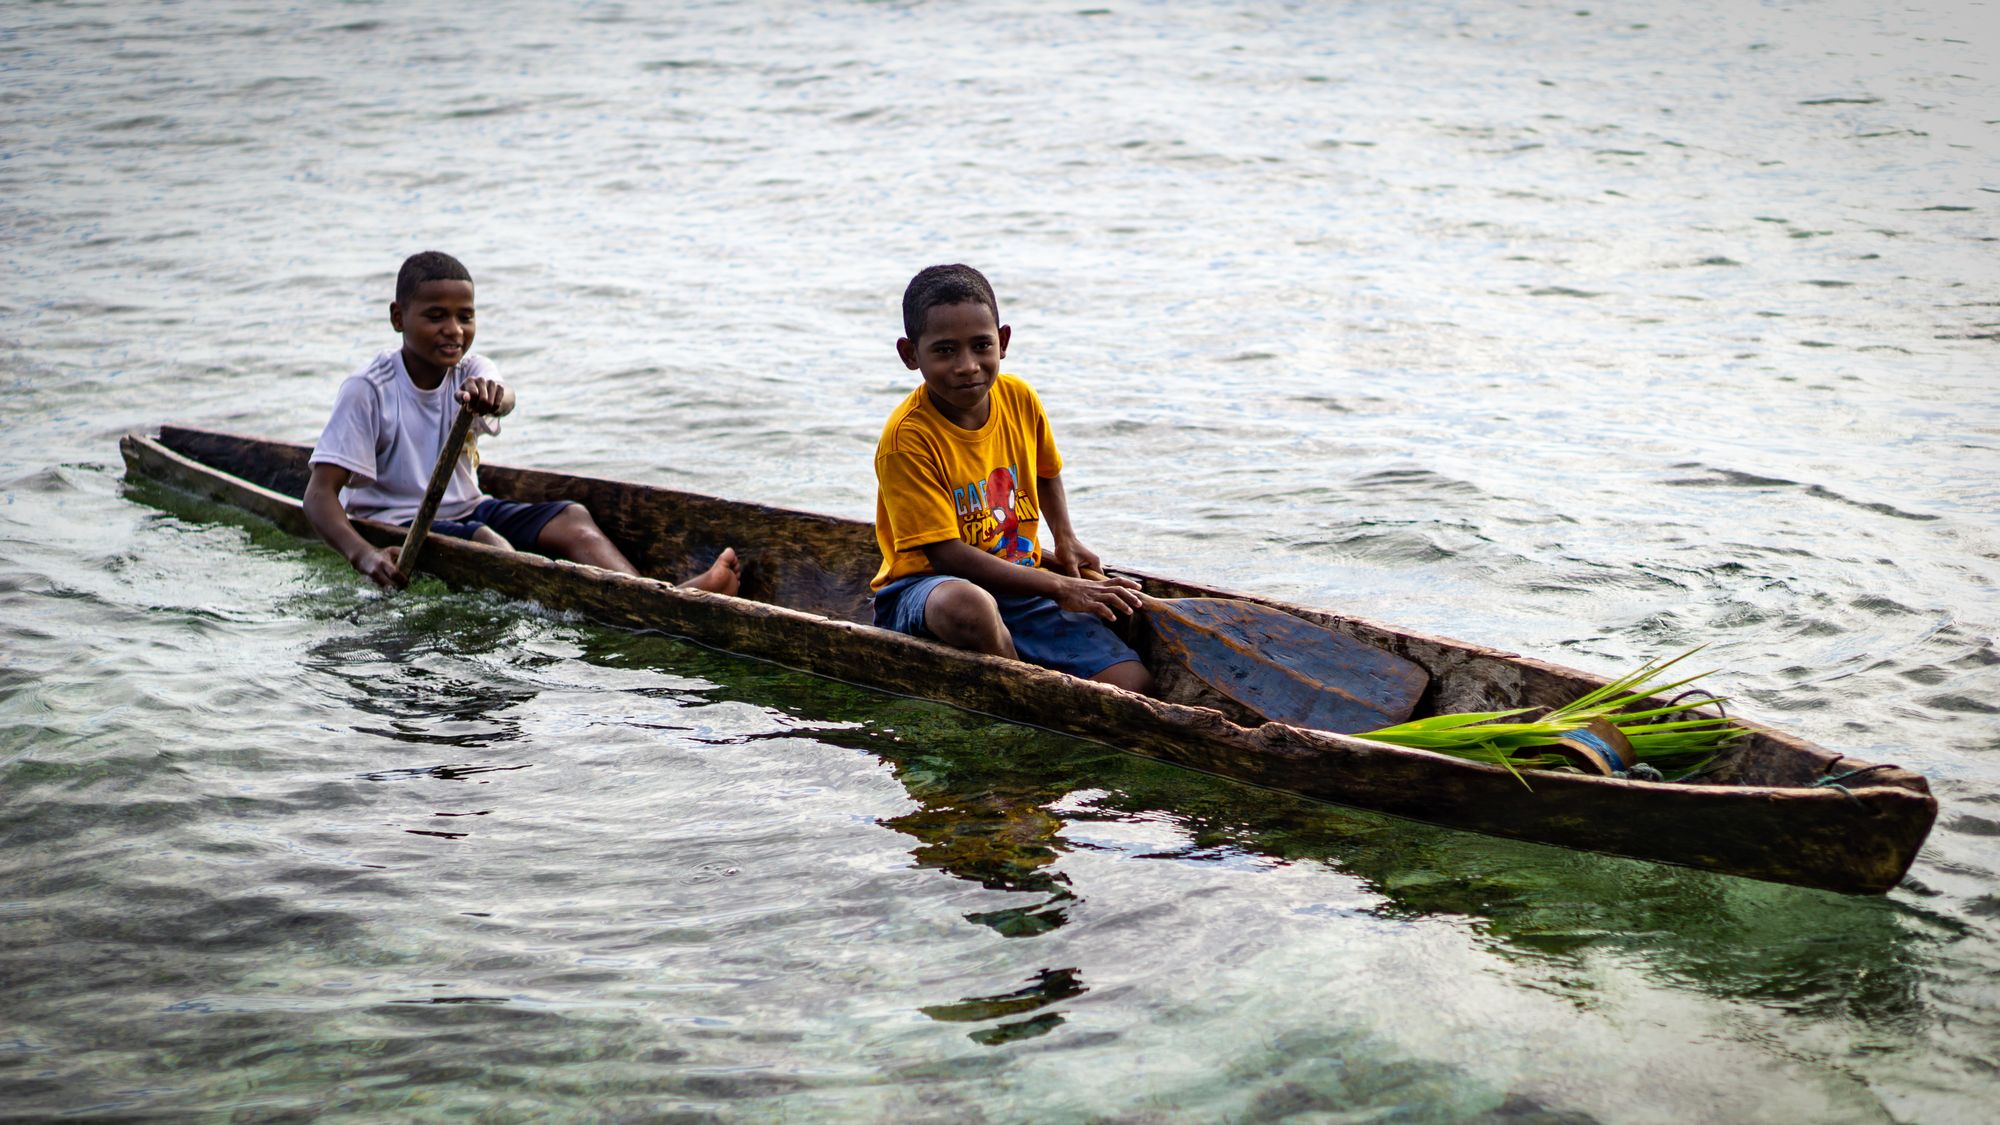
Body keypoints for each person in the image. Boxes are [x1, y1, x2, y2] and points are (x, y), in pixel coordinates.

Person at [303, 251, 740, 593]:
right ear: (399, 317)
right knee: (486, 542)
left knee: (572, 516)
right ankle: (626, 602)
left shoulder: (472, 368)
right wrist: (365, 555)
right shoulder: (369, 388)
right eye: (435, 316)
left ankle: (651, 595)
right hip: (399, 523)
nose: (453, 329)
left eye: (465, 316)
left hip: (469, 508)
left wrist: (493, 400)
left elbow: (504, 396)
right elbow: (319, 496)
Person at [869, 263, 1153, 695]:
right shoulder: (907, 439)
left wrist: (1066, 537)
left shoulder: (1019, 398)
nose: (967, 366)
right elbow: (947, 555)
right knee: (971, 605)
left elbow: (1046, 471)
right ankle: (1023, 692)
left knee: (1133, 683)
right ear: (911, 355)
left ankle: (1029, 668)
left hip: (1017, 577)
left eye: (981, 345)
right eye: (945, 350)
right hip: (925, 590)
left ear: (1001, 342)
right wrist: (1061, 586)